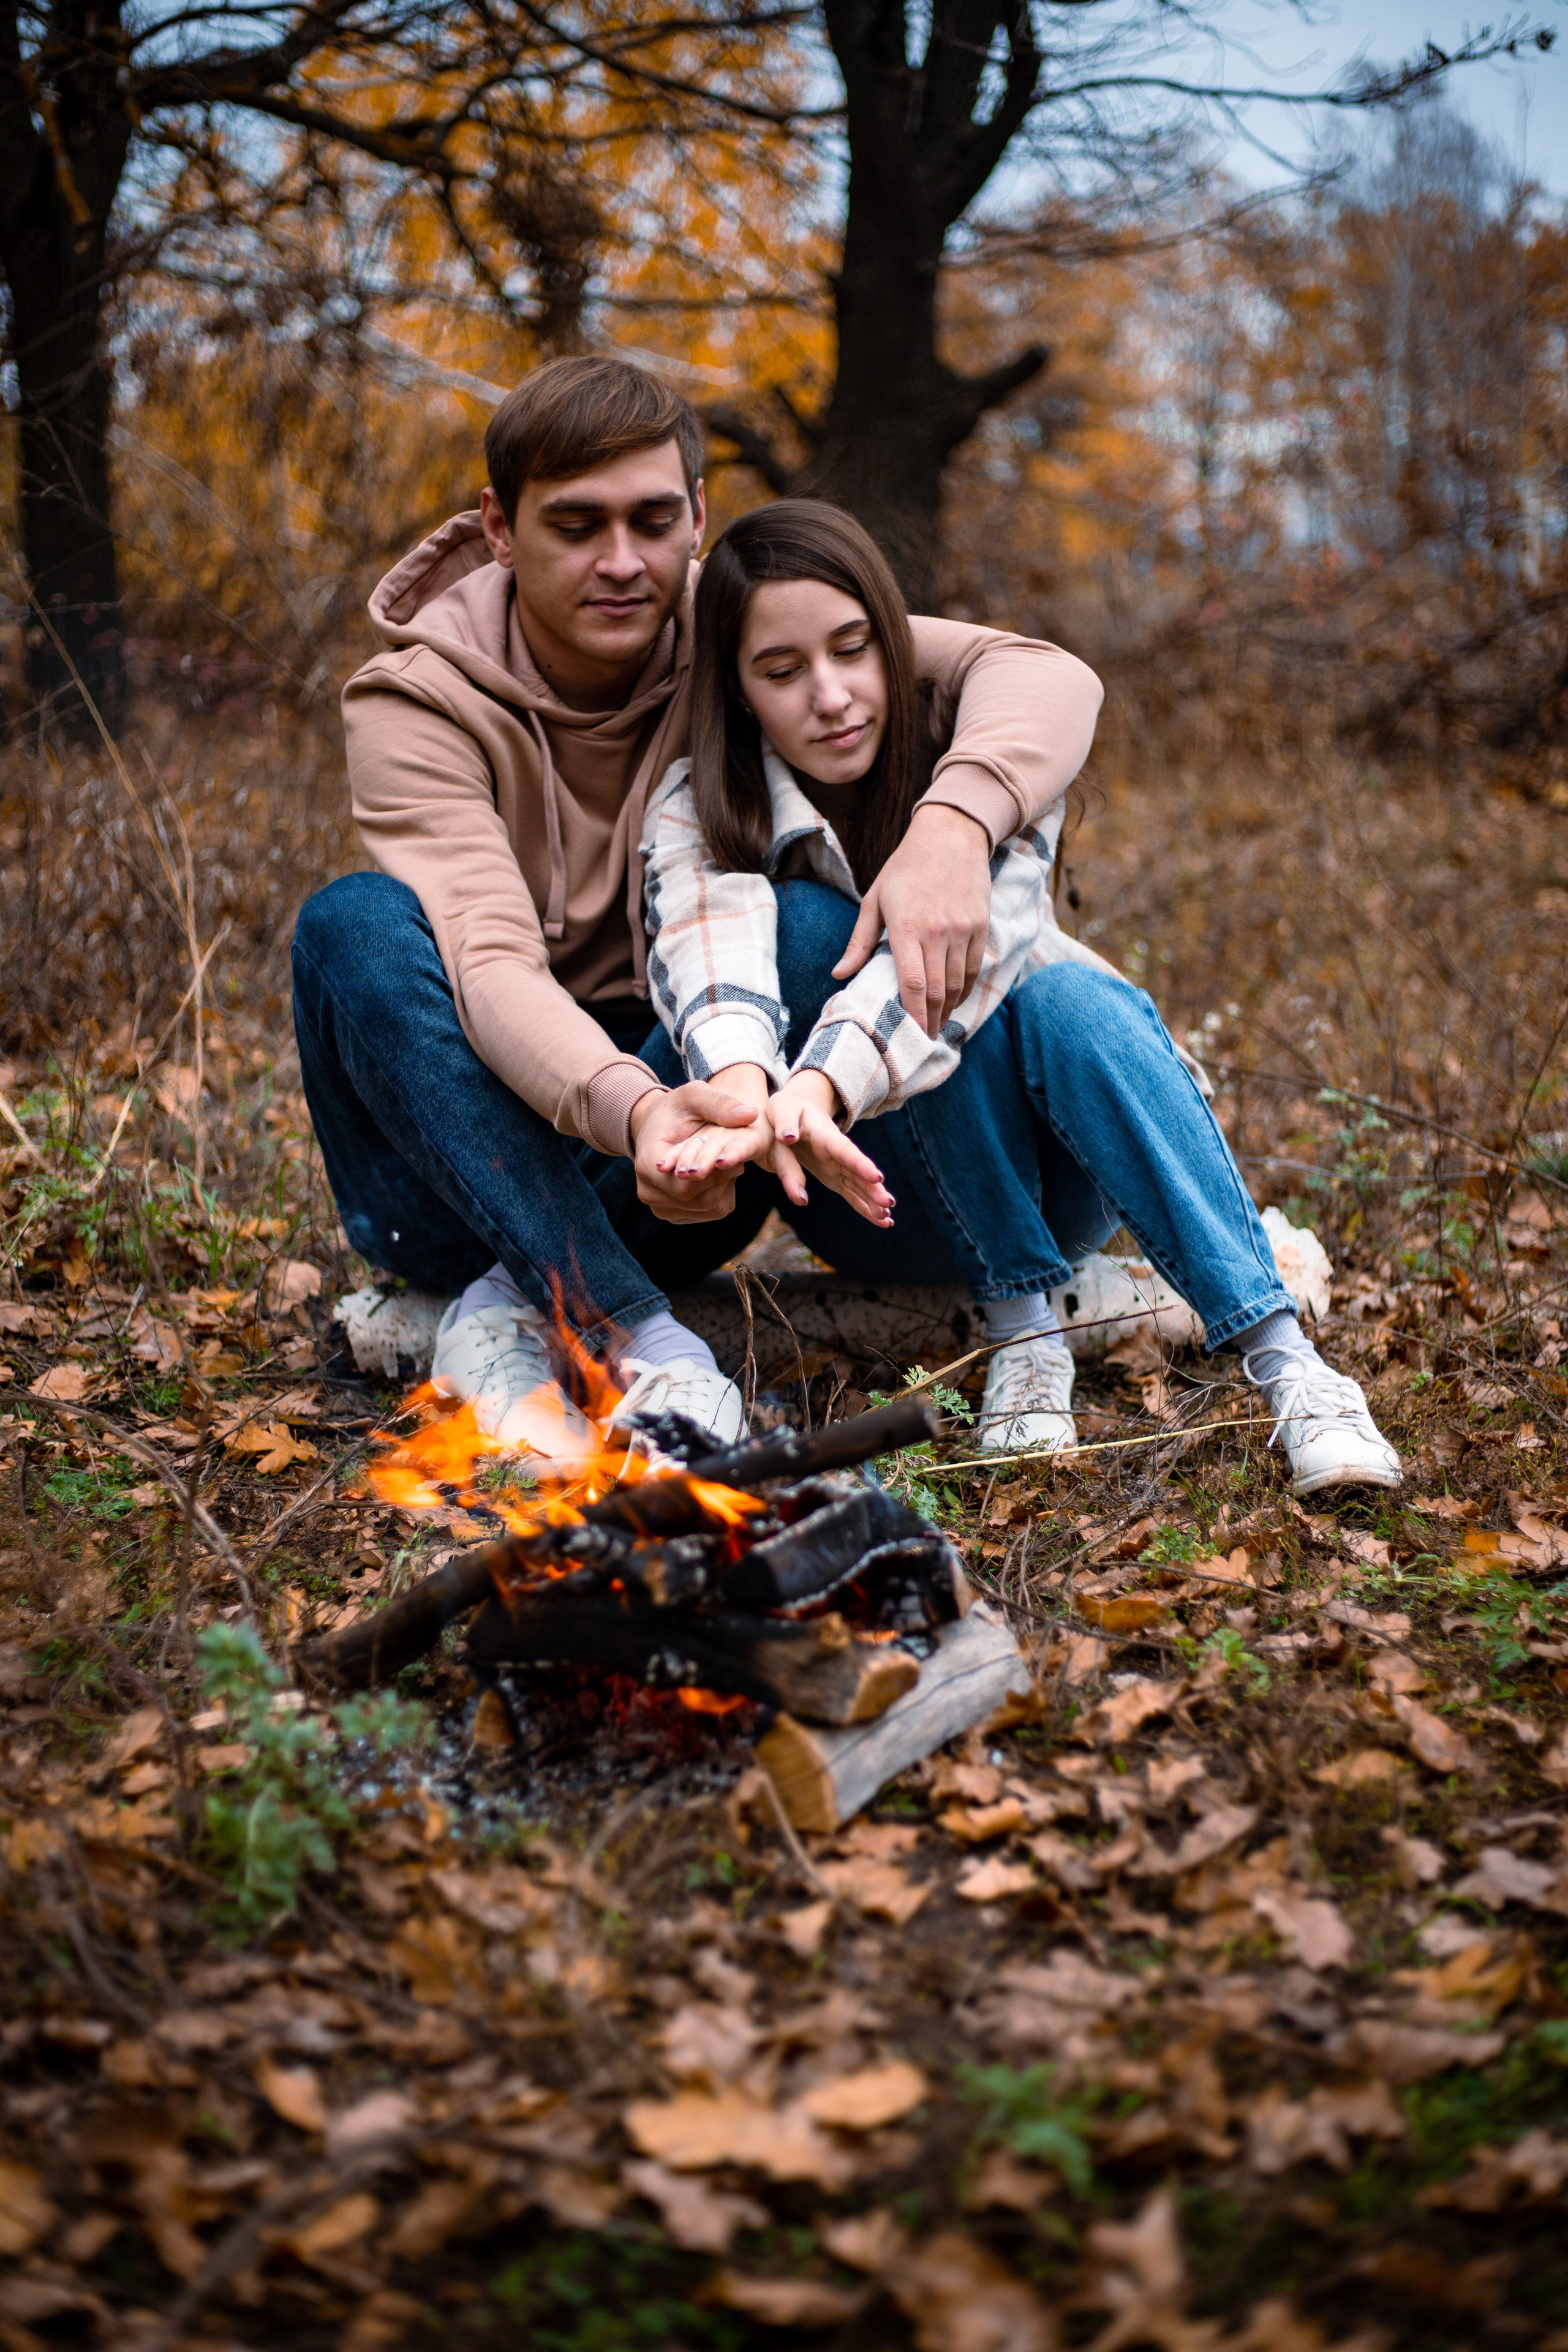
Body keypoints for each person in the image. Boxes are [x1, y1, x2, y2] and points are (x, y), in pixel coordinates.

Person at [290, 355, 1107, 1456]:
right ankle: (636, 1336)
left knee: (812, 925)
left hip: (685, 1172)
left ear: (697, 519)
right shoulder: (414, 704)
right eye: (576, 526)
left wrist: (955, 827)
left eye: (652, 519)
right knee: (351, 926)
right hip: (473, 1170)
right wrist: (634, 1112)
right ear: (496, 526)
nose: (622, 562)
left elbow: (1043, 675)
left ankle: (536, 1312)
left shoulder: (742, 626)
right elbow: (489, 968)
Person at [638, 500, 1401, 1498]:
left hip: (1049, 1177)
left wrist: (823, 1076)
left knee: (1069, 1002)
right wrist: (755, 1094)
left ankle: (1291, 1366)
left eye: (853, 650)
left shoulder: (984, 758)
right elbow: (712, 971)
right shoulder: (699, 805)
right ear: (738, 693)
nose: (831, 696)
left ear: (894, 644)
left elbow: (975, 957)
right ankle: (1023, 1333)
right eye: (782, 672)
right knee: (812, 928)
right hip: (857, 1188)